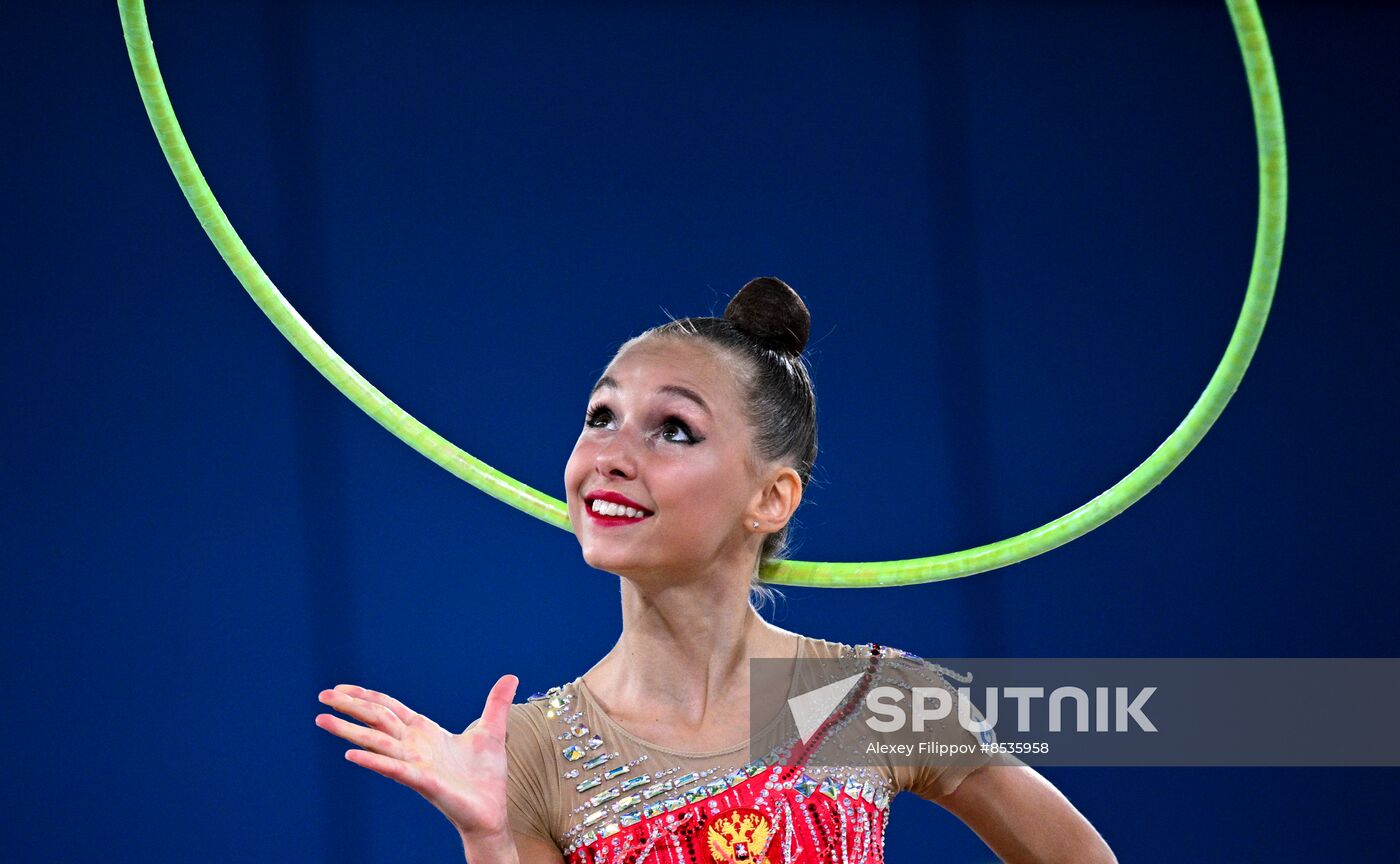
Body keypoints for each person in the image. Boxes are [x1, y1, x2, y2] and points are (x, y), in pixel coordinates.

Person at [314, 278, 1117, 863]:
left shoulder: (878, 701)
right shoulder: (526, 751)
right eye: (601, 417)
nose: (610, 457)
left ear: (770, 498)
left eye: (673, 430)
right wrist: (487, 840)